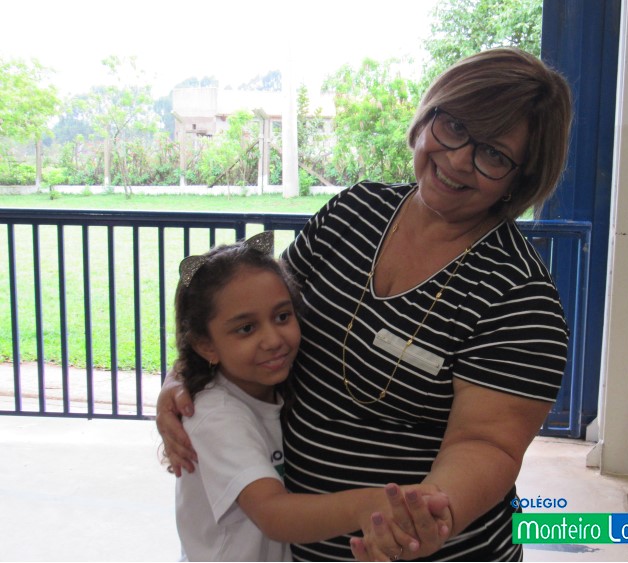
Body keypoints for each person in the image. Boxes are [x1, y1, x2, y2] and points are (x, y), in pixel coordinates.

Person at [158, 47, 573, 561]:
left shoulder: (518, 295)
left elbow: (488, 445)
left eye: (493, 155)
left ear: (521, 178)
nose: (458, 159)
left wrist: (424, 515)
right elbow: (256, 310)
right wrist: (184, 378)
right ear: (428, 116)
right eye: (454, 127)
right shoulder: (353, 212)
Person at [168, 232, 447, 561]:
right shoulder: (217, 416)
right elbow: (273, 513)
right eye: (246, 328)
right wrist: (368, 505)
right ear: (206, 346)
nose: (274, 340)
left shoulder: (268, 386)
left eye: (282, 317)